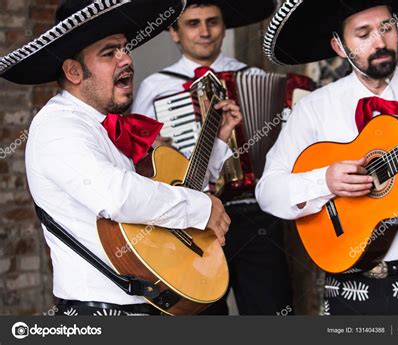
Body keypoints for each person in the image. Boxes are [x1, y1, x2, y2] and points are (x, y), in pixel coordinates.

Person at [0, 0, 244, 316]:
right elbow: (117, 196)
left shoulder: (109, 128)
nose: (126, 59)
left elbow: (169, 193)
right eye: (109, 52)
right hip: (103, 312)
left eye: (124, 48)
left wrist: (217, 142)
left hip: (144, 305)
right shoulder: (57, 126)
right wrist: (200, 209)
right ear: (73, 71)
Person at [257, 0, 398, 315]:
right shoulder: (314, 109)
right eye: (363, 33)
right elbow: (268, 193)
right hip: (346, 288)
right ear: (339, 46)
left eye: (387, 28)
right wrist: (325, 180)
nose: (380, 42)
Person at [133, 0, 294, 315]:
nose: (204, 32)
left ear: (223, 26)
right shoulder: (155, 88)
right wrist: (158, 147)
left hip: (253, 213)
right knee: (203, 315)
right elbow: (144, 162)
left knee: (271, 311)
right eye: (193, 23)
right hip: (193, 220)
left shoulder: (254, 76)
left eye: (213, 22)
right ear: (174, 33)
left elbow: (281, 149)